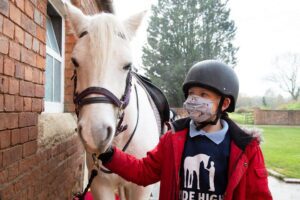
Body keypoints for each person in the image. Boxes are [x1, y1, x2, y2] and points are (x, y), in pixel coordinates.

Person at [98, 60, 273, 200]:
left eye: (204, 95)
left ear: (225, 103)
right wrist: (109, 154)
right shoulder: (173, 139)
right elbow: (144, 172)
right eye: (191, 93)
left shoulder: (246, 149)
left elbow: (259, 196)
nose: (194, 99)